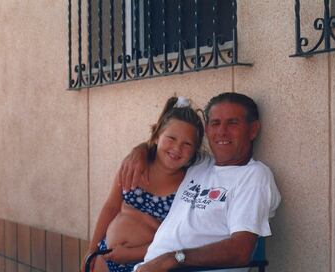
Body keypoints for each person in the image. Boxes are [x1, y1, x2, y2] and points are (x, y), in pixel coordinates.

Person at [117, 92, 281, 272]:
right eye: (215, 123)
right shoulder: (201, 164)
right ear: (207, 130)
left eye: (233, 123)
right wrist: (140, 150)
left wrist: (173, 258)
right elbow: (168, 148)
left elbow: (240, 251)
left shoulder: (253, 177)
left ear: (253, 130)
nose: (222, 131)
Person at [81, 97, 205, 272]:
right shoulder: (133, 168)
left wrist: (131, 254)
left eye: (187, 144)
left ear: (194, 151)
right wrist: (92, 249)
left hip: (145, 264)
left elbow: (177, 237)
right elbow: (111, 206)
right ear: (156, 137)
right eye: (171, 138)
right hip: (105, 254)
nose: (177, 148)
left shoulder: (188, 185)